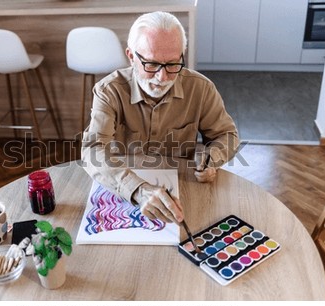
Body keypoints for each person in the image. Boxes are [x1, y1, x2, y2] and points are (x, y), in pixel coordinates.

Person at [81, 11, 239, 225]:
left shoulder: (201, 88)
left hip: (183, 187)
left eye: (173, 64)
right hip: (122, 186)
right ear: (131, 56)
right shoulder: (109, 91)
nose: (162, 77)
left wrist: (212, 159)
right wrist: (136, 189)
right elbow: (93, 149)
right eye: (151, 64)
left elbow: (226, 135)